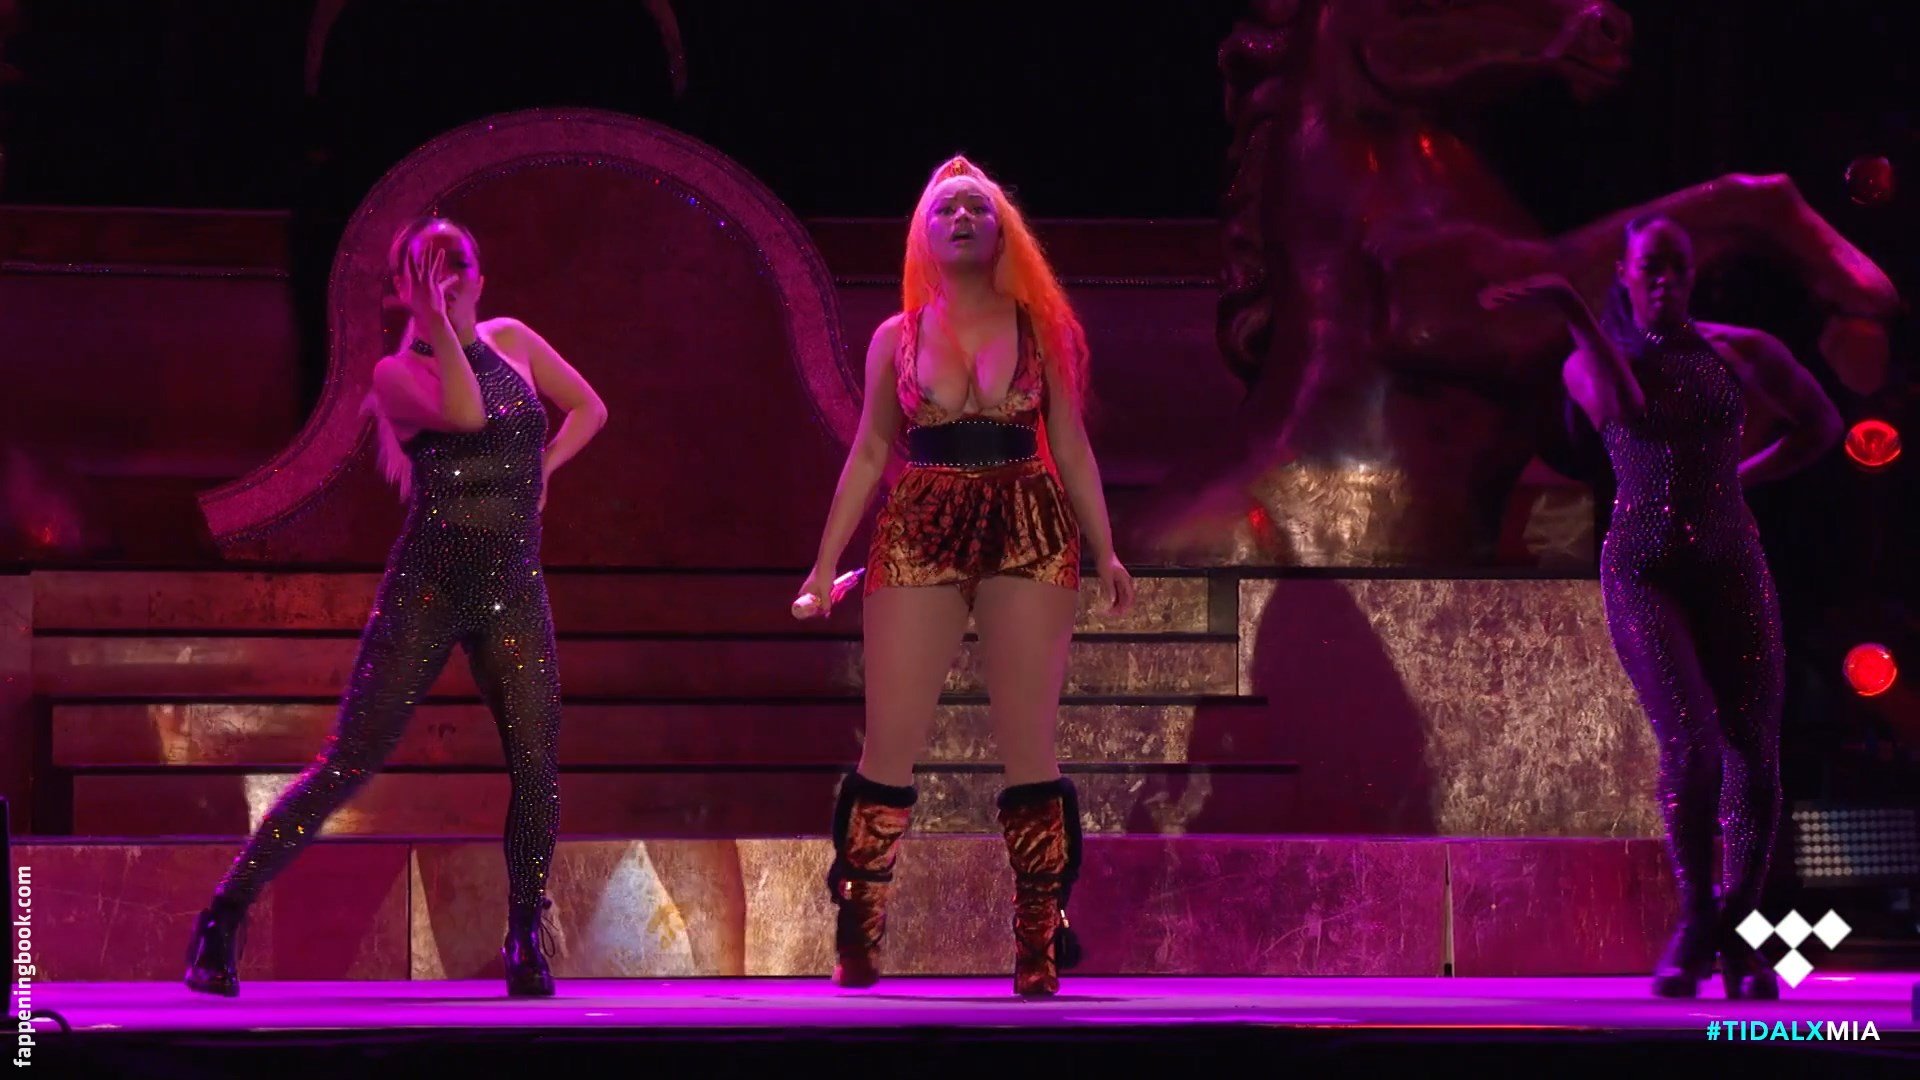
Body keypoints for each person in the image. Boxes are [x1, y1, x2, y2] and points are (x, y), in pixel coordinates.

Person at [184, 217, 609, 998]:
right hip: (430, 584)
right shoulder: (396, 375)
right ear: (407, 288)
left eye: (460, 264)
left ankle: (525, 930)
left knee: (537, 764)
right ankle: (224, 912)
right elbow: (469, 412)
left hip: (513, 584)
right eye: (429, 268)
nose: (450, 279)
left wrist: (545, 467)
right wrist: (439, 326)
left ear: (481, 277)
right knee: (351, 758)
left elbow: (591, 408)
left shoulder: (514, 338)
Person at [796, 156, 1135, 998]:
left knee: (1029, 742)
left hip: (1028, 518)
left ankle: (1038, 940)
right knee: (890, 739)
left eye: (976, 208)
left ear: (1000, 231)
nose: (959, 217)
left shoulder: (1041, 328)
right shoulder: (896, 336)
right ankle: (860, 924)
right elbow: (869, 451)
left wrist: (1107, 549)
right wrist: (825, 563)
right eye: (944, 207)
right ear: (922, 230)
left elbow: (1073, 445)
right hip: (921, 521)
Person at [1482, 215, 1843, 999]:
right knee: (1693, 748)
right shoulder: (1589, 360)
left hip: (1731, 561)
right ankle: (1694, 922)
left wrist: (1739, 478)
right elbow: (1627, 405)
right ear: (1625, 273)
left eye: (1677, 267)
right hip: (1644, 569)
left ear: (1693, 274)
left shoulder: (1742, 349)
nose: (1665, 281)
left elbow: (1821, 425)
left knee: (1755, 753)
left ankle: (1738, 934)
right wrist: (1575, 311)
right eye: (1650, 267)